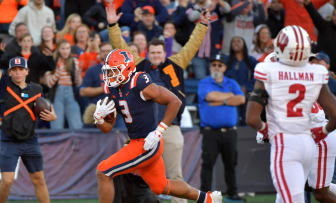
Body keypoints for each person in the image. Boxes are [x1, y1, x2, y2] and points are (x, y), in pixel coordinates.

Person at [106, 3, 209, 203]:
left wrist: (202, 26)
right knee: (138, 178)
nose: (155, 56)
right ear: (147, 52)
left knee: (174, 174)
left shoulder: (176, 63)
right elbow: (121, 47)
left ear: (164, 52)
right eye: (152, 53)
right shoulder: (139, 65)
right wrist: (113, 26)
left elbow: (192, 45)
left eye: (158, 53)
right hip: (142, 132)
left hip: (169, 127)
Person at [94, 48, 222, 203]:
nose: (110, 75)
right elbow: (107, 129)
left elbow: (175, 101)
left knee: (103, 171)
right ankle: (208, 198)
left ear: (127, 68)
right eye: (108, 71)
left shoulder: (139, 81)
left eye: (114, 71)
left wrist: (158, 131)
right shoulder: (111, 89)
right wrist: (100, 119)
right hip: (137, 142)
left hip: (147, 142)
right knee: (161, 186)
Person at [246, 25, 336, 203]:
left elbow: (252, 116)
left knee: (295, 193)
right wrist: (323, 131)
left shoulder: (268, 68)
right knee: (307, 190)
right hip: (312, 136)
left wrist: (265, 129)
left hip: (289, 139)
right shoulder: (316, 71)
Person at [0, 21, 56, 203]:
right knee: (7, 181)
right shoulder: (3, 86)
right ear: (9, 73)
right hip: (9, 140)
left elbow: (47, 110)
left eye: (20, 69)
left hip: (30, 140)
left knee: (39, 179)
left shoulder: (37, 89)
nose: (17, 73)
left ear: (27, 71)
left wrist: (52, 116)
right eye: (14, 70)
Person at [198, 54, 246, 201]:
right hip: (210, 132)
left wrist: (222, 101)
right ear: (210, 67)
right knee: (208, 164)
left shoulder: (232, 82)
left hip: (230, 132)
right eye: (214, 65)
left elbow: (241, 99)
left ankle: (232, 193)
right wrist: (229, 97)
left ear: (225, 67)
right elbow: (210, 96)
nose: (216, 67)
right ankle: (205, 195)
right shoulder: (204, 82)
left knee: (231, 164)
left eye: (220, 65)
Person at [44, 40, 83, 129]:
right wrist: (58, 71)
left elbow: (78, 83)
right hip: (57, 94)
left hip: (71, 93)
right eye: (63, 48)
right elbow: (49, 84)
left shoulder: (74, 61)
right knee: (56, 124)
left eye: (67, 48)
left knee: (76, 124)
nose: (65, 51)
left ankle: (76, 142)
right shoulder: (52, 61)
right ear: (58, 50)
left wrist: (78, 75)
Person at [304, 0, 336, 72]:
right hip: (322, 71)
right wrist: (308, 4)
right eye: (334, 15)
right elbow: (315, 16)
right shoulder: (325, 26)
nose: (335, 17)